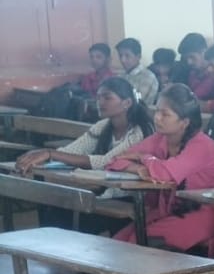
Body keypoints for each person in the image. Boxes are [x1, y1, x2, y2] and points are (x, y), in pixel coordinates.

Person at [16, 77, 156, 234]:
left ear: (127, 103)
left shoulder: (139, 131)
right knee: (54, 207)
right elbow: (73, 150)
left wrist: (50, 153)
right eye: (99, 97)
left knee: (63, 215)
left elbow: (107, 162)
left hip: (130, 197)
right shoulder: (104, 126)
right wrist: (43, 156)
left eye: (107, 97)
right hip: (105, 192)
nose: (100, 102)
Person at [106, 84, 214, 252]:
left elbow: (164, 174)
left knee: (139, 241)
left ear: (184, 122)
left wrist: (144, 158)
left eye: (165, 114)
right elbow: (115, 160)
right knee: (117, 243)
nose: (157, 118)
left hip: (204, 213)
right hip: (167, 210)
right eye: (157, 111)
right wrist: (138, 169)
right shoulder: (159, 138)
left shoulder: (201, 145)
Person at [115, 38, 159, 105]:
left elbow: (136, 101)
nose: (123, 60)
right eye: (120, 55)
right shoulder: (121, 76)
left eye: (127, 56)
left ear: (138, 56)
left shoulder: (147, 77)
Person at [176, 33, 214, 102]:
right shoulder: (191, 72)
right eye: (186, 58)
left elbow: (192, 100)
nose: (189, 62)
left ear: (203, 52)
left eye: (192, 57)